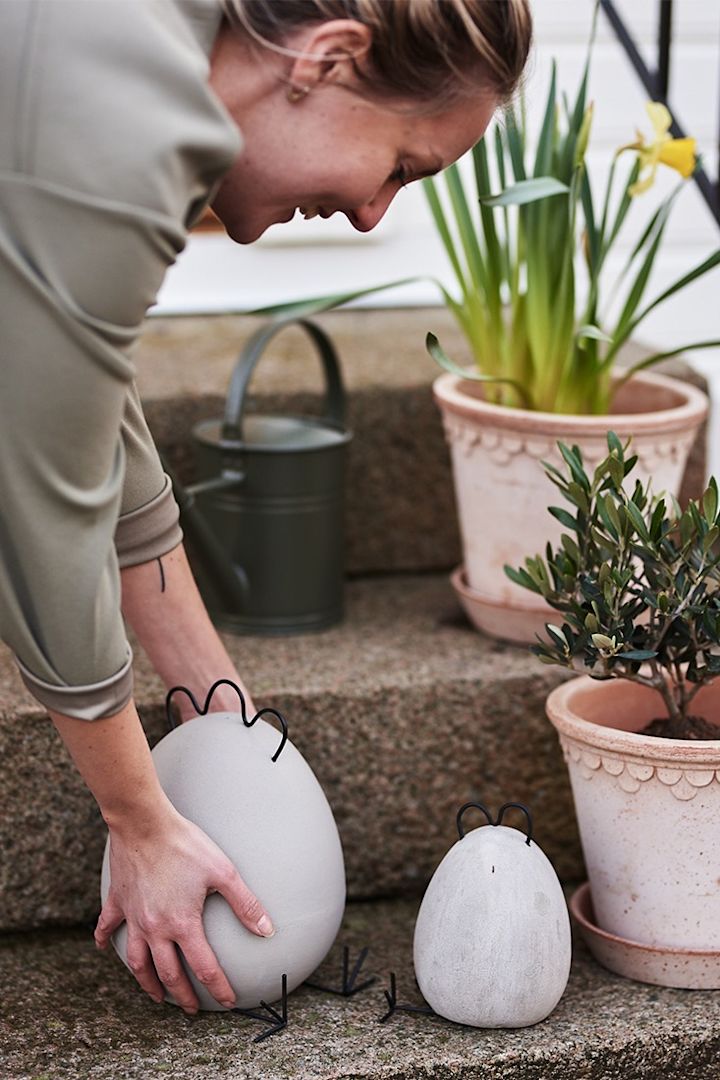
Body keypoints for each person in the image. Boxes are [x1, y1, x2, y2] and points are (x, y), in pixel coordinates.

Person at [0, 0, 532, 1013]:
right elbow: (34, 502)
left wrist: (220, 706)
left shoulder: (142, 68)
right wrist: (140, 823)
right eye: (403, 167)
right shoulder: (126, 125)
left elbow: (71, 402)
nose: (376, 215)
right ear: (327, 61)